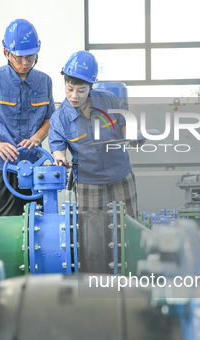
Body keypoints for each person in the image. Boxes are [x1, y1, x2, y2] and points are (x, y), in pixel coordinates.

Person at [0, 19, 54, 217]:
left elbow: (49, 120)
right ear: (6, 52)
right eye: (19, 58)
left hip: (34, 169)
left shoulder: (44, 81)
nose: (25, 63)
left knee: (36, 230)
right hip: (0, 169)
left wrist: (37, 138)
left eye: (30, 58)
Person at [48, 51, 138, 218]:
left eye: (81, 91)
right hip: (88, 182)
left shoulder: (109, 100)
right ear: (65, 84)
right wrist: (60, 160)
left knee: (129, 226)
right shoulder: (59, 118)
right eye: (70, 89)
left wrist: (132, 137)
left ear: (91, 87)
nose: (74, 96)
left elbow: (125, 124)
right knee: (93, 234)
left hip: (120, 174)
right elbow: (57, 148)